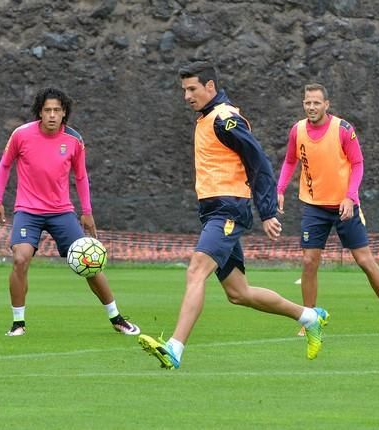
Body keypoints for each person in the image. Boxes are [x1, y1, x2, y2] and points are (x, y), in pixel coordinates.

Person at [138, 61, 329, 369]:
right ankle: (309, 316)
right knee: (239, 293)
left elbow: (259, 163)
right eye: (183, 90)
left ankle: (174, 348)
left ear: (210, 86)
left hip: (228, 210)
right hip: (214, 211)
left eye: (192, 89)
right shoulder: (206, 119)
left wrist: (267, 212)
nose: (186, 96)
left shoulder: (225, 119)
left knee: (196, 270)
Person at [0, 87, 140, 337]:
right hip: (28, 210)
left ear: (64, 113)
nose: (51, 115)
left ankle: (117, 318)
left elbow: (81, 176)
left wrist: (87, 211)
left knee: (90, 262)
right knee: (20, 258)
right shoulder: (21, 135)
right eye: (47, 110)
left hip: (62, 212)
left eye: (56, 110)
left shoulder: (74, 140)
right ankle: (18, 323)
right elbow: (5, 165)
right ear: (40, 111)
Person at [277, 83, 379, 338]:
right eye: (307, 102)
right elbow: (291, 160)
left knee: (365, 261)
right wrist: (279, 189)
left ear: (327, 104)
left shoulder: (343, 129)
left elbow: (357, 163)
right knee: (308, 260)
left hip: (345, 205)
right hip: (314, 206)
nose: (311, 107)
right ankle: (309, 318)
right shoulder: (297, 130)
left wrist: (350, 197)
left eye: (316, 102)